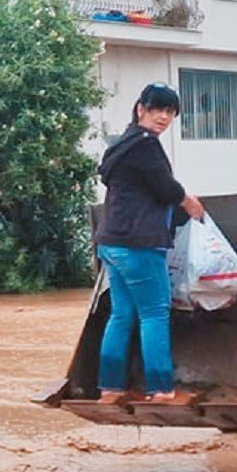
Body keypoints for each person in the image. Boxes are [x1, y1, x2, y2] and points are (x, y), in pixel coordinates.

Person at [94, 82, 205, 405]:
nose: (163, 117)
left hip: (111, 242)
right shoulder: (146, 145)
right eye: (157, 109)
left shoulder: (120, 145)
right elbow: (165, 188)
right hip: (138, 244)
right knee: (155, 313)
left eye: (170, 112)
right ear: (140, 108)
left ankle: (110, 388)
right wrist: (189, 202)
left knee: (122, 314)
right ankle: (161, 389)